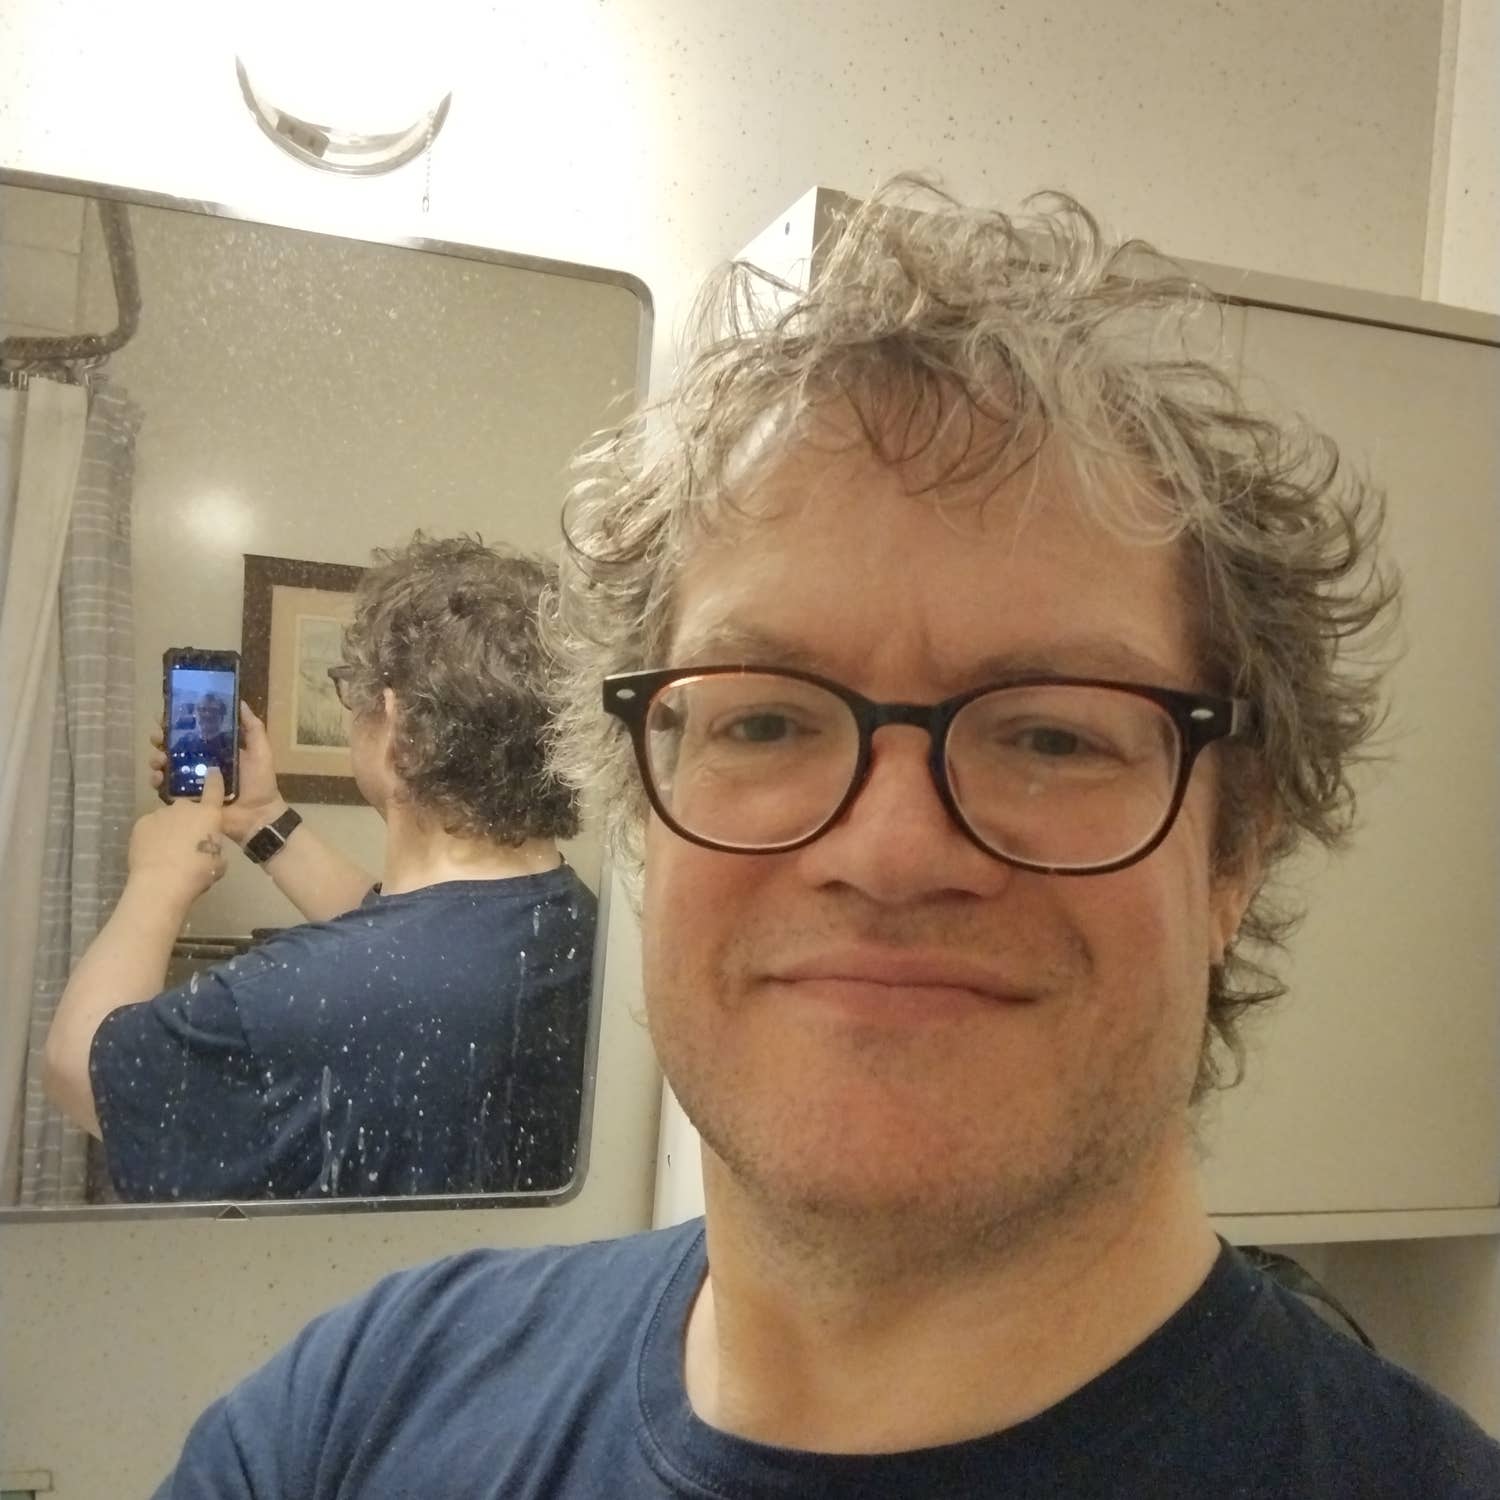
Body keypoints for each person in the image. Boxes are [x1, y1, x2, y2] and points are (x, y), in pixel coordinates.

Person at [148, 186, 1500, 1496]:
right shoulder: (347, 1424)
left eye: (1050, 736)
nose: (890, 850)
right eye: (764, 721)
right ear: (642, 803)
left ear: (1235, 853)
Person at [44, 534, 596, 1201]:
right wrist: (262, 817)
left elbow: (80, 1070)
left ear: (398, 730)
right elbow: (411, 937)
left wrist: (157, 879)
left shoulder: (284, 1002)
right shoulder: (581, 928)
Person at [168, 691, 236, 779]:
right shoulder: (185, 742)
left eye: (213, 710)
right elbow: (170, 768)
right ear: (196, 713)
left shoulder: (230, 743)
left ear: (222, 716)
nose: (207, 715)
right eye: (203, 709)